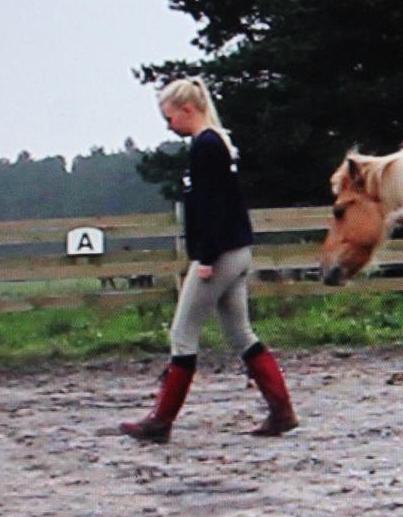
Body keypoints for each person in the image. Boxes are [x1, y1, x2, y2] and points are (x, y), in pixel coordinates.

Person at [120, 77, 298, 443]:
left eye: (169, 117)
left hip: (219, 254)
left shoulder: (205, 146)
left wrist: (205, 256)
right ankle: (282, 412)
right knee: (239, 332)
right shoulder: (218, 142)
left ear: (188, 110)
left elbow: (211, 206)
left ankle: (161, 421)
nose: (168, 125)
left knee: (182, 335)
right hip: (236, 249)